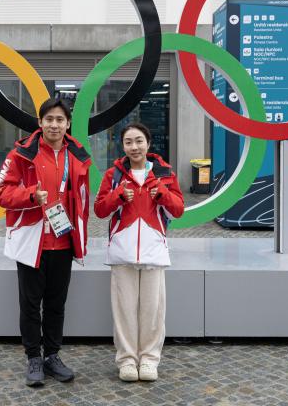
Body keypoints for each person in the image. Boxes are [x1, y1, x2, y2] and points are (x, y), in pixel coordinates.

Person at [0, 98, 92, 387]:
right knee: (30, 304)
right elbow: (0, 192)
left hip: (63, 240)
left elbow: (82, 200)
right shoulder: (21, 154)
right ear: (40, 122)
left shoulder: (77, 155)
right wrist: (28, 196)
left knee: (56, 304)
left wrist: (81, 235)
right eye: (49, 119)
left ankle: (52, 355)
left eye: (60, 119)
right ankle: (33, 358)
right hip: (31, 241)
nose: (54, 125)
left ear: (68, 124)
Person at [94, 123, 184, 383]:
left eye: (139, 141)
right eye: (129, 142)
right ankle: (127, 360)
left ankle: (149, 359)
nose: (135, 147)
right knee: (124, 311)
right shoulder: (114, 174)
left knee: (152, 310)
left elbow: (178, 209)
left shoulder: (165, 173)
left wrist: (163, 194)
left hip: (154, 251)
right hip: (122, 253)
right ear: (122, 146)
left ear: (148, 143)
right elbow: (100, 209)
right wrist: (119, 195)